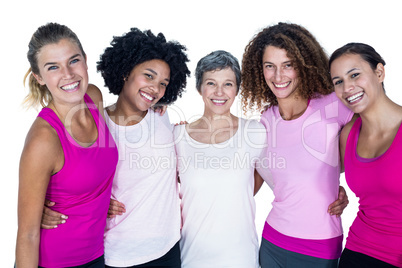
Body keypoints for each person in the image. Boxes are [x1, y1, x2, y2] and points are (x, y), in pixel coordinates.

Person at [41, 27, 190, 268]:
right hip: (117, 254)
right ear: (125, 72)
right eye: (149, 76)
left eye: (163, 83)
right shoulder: (97, 123)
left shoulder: (162, 116)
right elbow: (64, 170)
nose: (155, 88)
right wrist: (43, 207)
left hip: (168, 249)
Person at [241, 22, 352, 267]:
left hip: (320, 244)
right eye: (269, 66)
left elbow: (368, 150)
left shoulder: (335, 104)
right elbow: (250, 182)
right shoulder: (266, 120)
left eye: (287, 65)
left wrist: (342, 186)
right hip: (272, 240)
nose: (278, 76)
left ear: (303, 65)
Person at [15, 22, 118, 267]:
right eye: (53, 67)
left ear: (85, 60)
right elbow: (27, 235)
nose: (68, 74)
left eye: (73, 60)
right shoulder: (44, 140)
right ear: (39, 77)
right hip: (58, 261)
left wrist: (156, 103)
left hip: (98, 255)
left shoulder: (93, 96)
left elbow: (93, 166)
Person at [174, 50, 271, 267]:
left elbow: (276, 178)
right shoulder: (177, 137)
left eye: (228, 84)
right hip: (191, 258)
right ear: (199, 87)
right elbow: (159, 186)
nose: (219, 92)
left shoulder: (255, 132)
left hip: (241, 258)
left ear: (237, 88)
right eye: (211, 83)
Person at [330, 43, 402, 268]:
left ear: (379, 72)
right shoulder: (349, 133)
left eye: (355, 75)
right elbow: (321, 172)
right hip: (358, 251)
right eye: (338, 81)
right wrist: (333, 192)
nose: (347, 87)